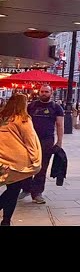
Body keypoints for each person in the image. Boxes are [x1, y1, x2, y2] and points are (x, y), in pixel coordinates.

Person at [16, 85, 64, 205]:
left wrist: (59, 142)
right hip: (29, 140)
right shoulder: (31, 106)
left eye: (46, 91)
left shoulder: (56, 108)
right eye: (42, 91)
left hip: (47, 140)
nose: (44, 93)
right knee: (27, 164)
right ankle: (26, 188)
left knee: (42, 167)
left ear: (51, 92)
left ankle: (37, 193)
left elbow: (60, 125)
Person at [0, 94, 42, 225]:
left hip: (2, 159)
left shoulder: (2, 118)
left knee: (9, 189)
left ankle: (6, 220)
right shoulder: (23, 119)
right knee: (13, 191)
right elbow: (30, 140)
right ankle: (6, 220)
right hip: (18, 162)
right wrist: (35, 160)